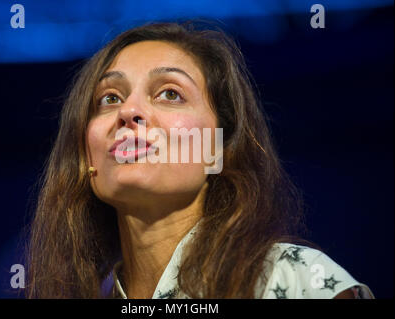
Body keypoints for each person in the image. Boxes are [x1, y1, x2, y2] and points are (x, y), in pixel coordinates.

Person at [25, 21, 374, 299]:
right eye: (109, 98)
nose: (129, 111)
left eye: (170, 93)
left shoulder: (296, 280)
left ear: (215, 149)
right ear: (89, 159)